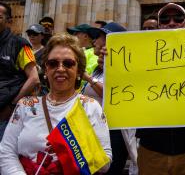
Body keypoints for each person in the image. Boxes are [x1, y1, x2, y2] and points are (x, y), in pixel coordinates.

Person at [0, 33, 112, 174]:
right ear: (46, 69)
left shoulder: (89, 106)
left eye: (68, 63)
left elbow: (105, 163)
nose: (60, 68)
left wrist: (71, 149)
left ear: (79, 70)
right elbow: (6, 152)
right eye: (53, 63)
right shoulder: (26, 105)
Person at [135, 3, 185, 175]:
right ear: (158, 26)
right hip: (152, 149)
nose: (171, 23)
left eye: (177, 19)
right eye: (165, 19)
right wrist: (112, 62)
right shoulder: (138, 55)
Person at [86, 22, 137, 175]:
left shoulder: (122, 69)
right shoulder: (97, 68)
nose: (94, 41)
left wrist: (87, 77)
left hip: (112, 132)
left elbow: (112, 93)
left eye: (99, 37)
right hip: (93, 129)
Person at [0, 1, 40, 141]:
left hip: (6, 115)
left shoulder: (20, 44)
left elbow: (34, 79)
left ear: (9, 21)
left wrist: (11, 106)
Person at [26, 23, 48, 95]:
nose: (32, 36)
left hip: (39, 89)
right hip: (24, 86)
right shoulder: (25, 50)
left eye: (35, 34)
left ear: (42, 36)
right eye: (29, 34)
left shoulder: (46, 52)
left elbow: (46, 70)